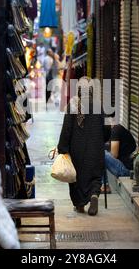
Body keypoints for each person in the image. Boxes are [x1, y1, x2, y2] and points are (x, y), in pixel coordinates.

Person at [57, 77, 104, 216]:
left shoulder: (73, 105)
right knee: (95, 175)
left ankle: (79, 204)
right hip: (96, 149)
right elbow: (106, 129)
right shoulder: (98, 105)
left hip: (77, 150)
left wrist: (62, 148)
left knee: (76, 177)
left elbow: (67, 129)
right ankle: (94, 195)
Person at [102, 121, 137, 194]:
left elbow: (114, 155)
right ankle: (103, 185)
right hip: (125, 167)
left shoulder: (115, 130)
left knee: (100, 154)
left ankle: (104, 186)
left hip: (126, 170)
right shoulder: (114, 130)